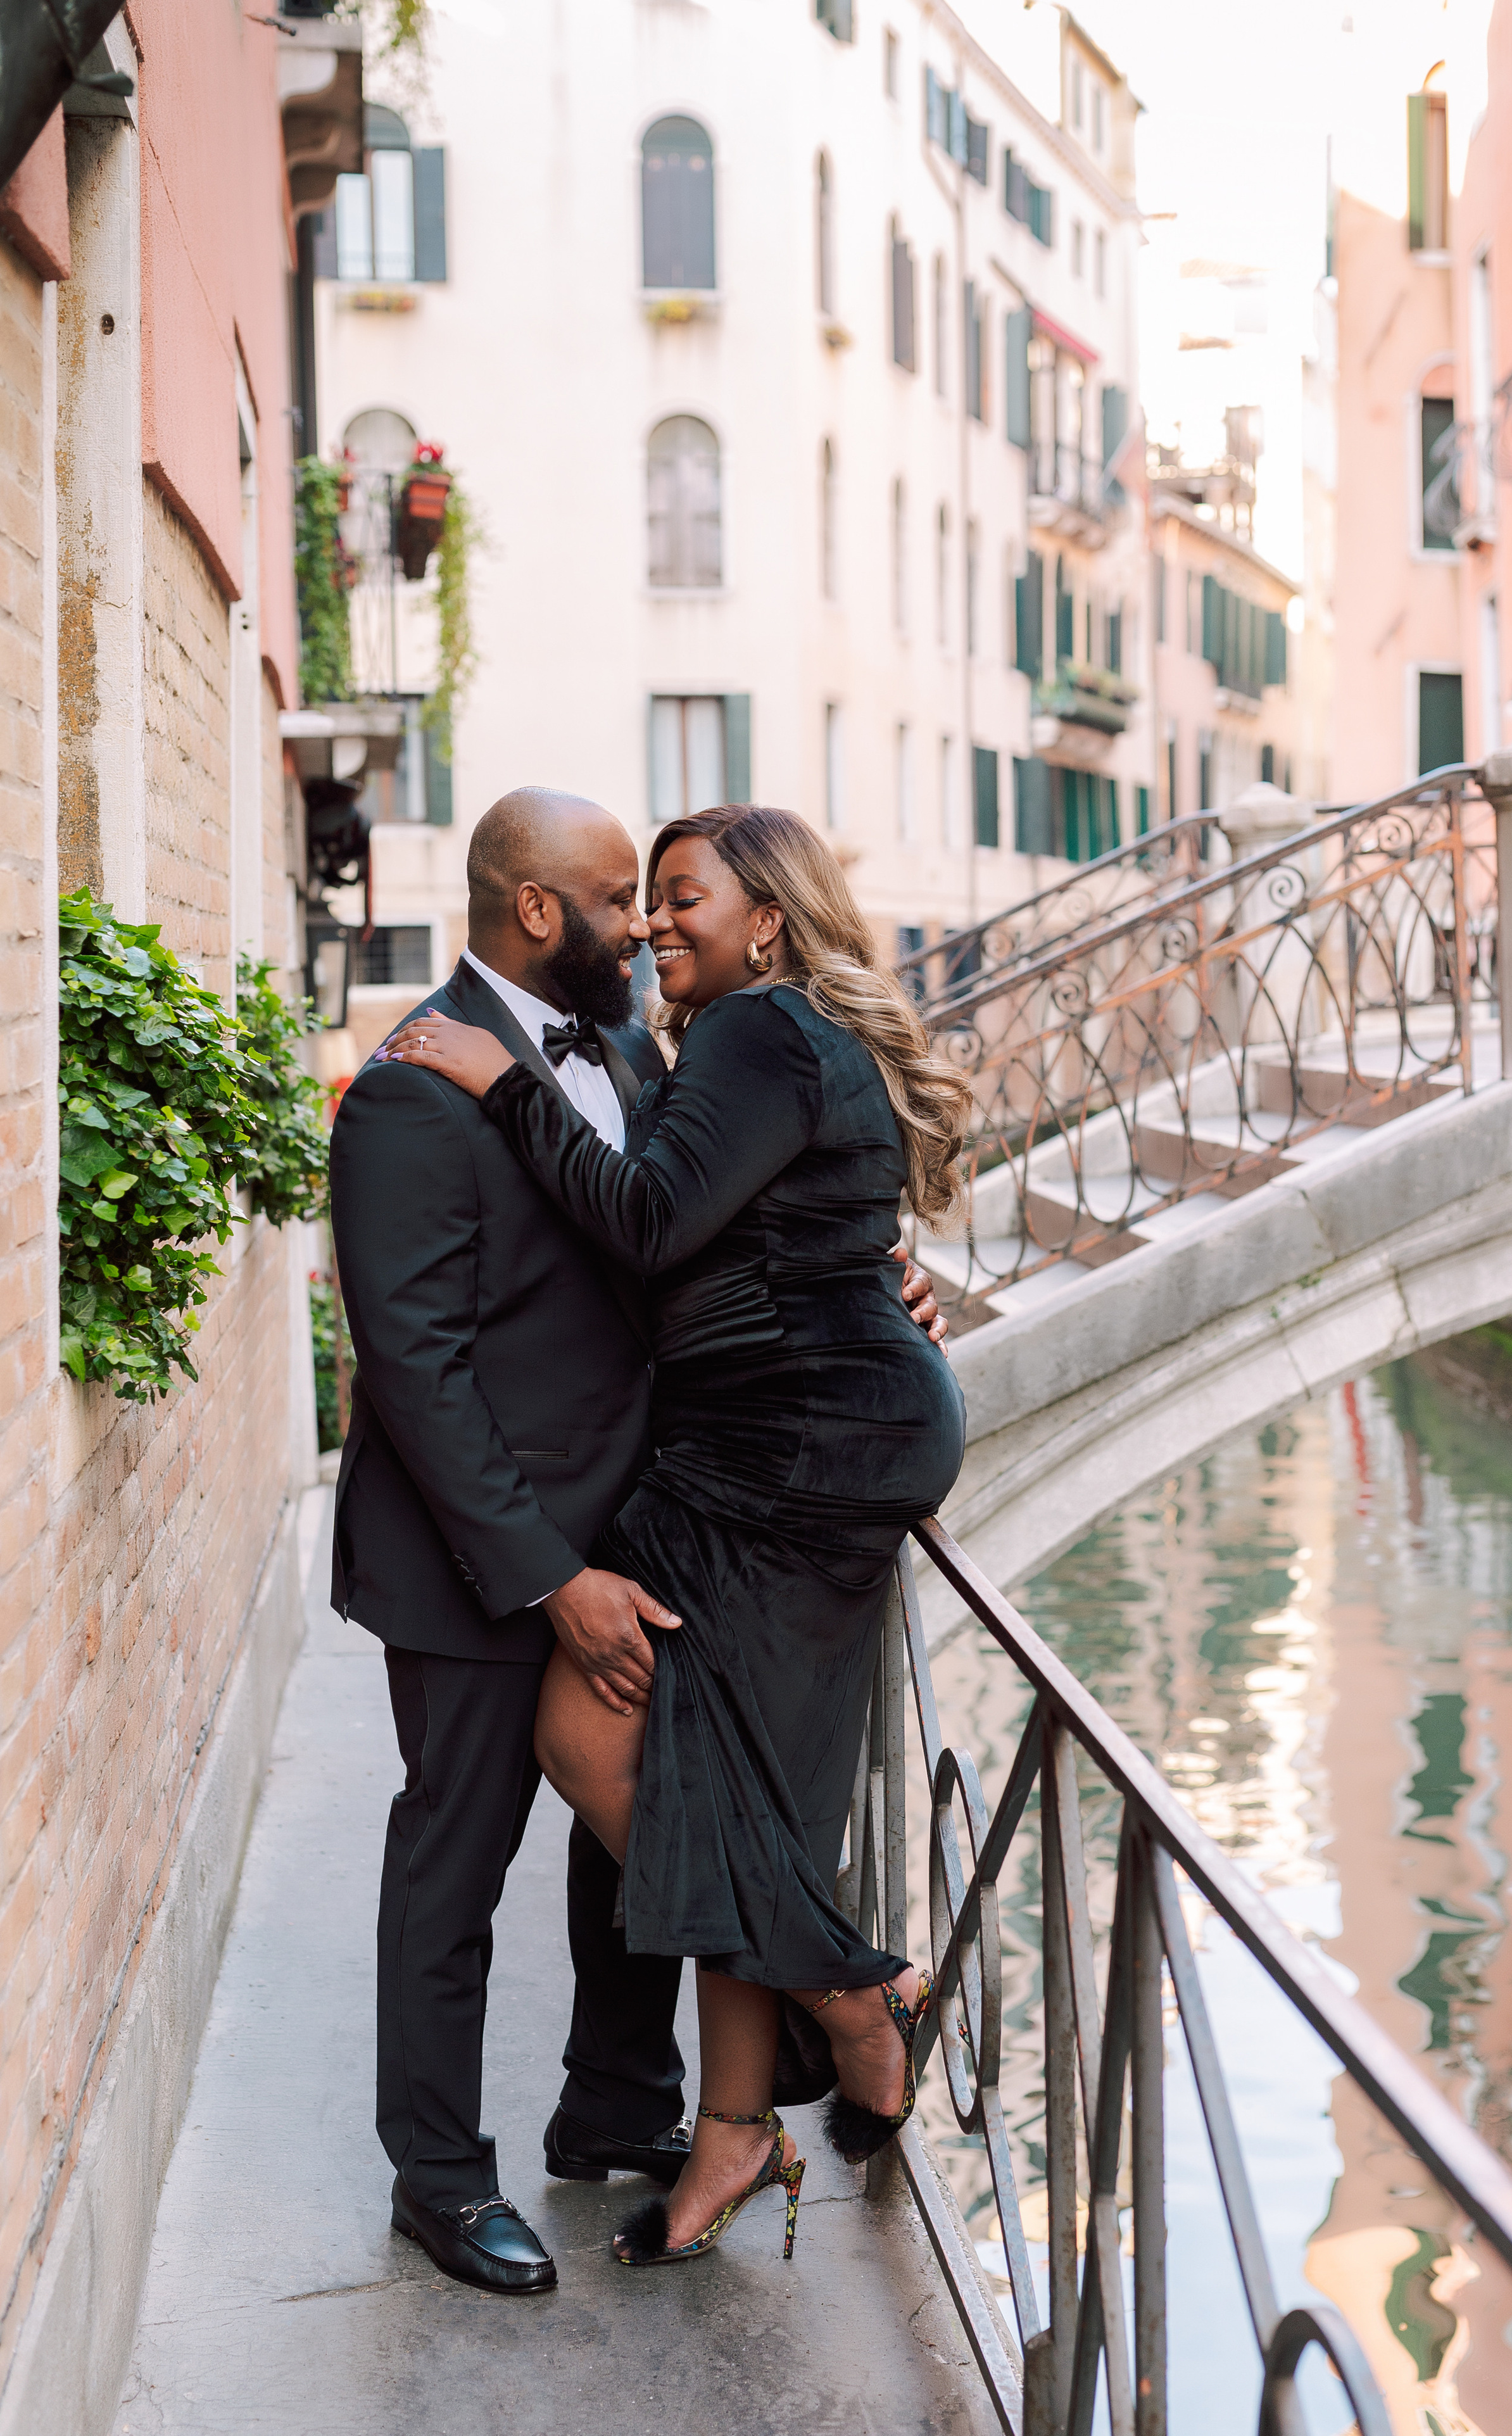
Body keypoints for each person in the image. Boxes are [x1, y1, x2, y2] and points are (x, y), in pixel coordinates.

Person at [330, 787, 947, 2296]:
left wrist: (868, 1278)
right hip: (482, 1550)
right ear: (539, 911)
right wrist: (548, 1574)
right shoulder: (412, 1084)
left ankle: (617, 2103)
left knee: (652, 1813)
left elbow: (709, 1222)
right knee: (455, 1859)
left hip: (656, 1510)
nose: (642, 927)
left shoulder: (631, 1051)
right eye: (622, 901)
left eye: (664, 900)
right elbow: (412, 1369)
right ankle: (438, 2176)